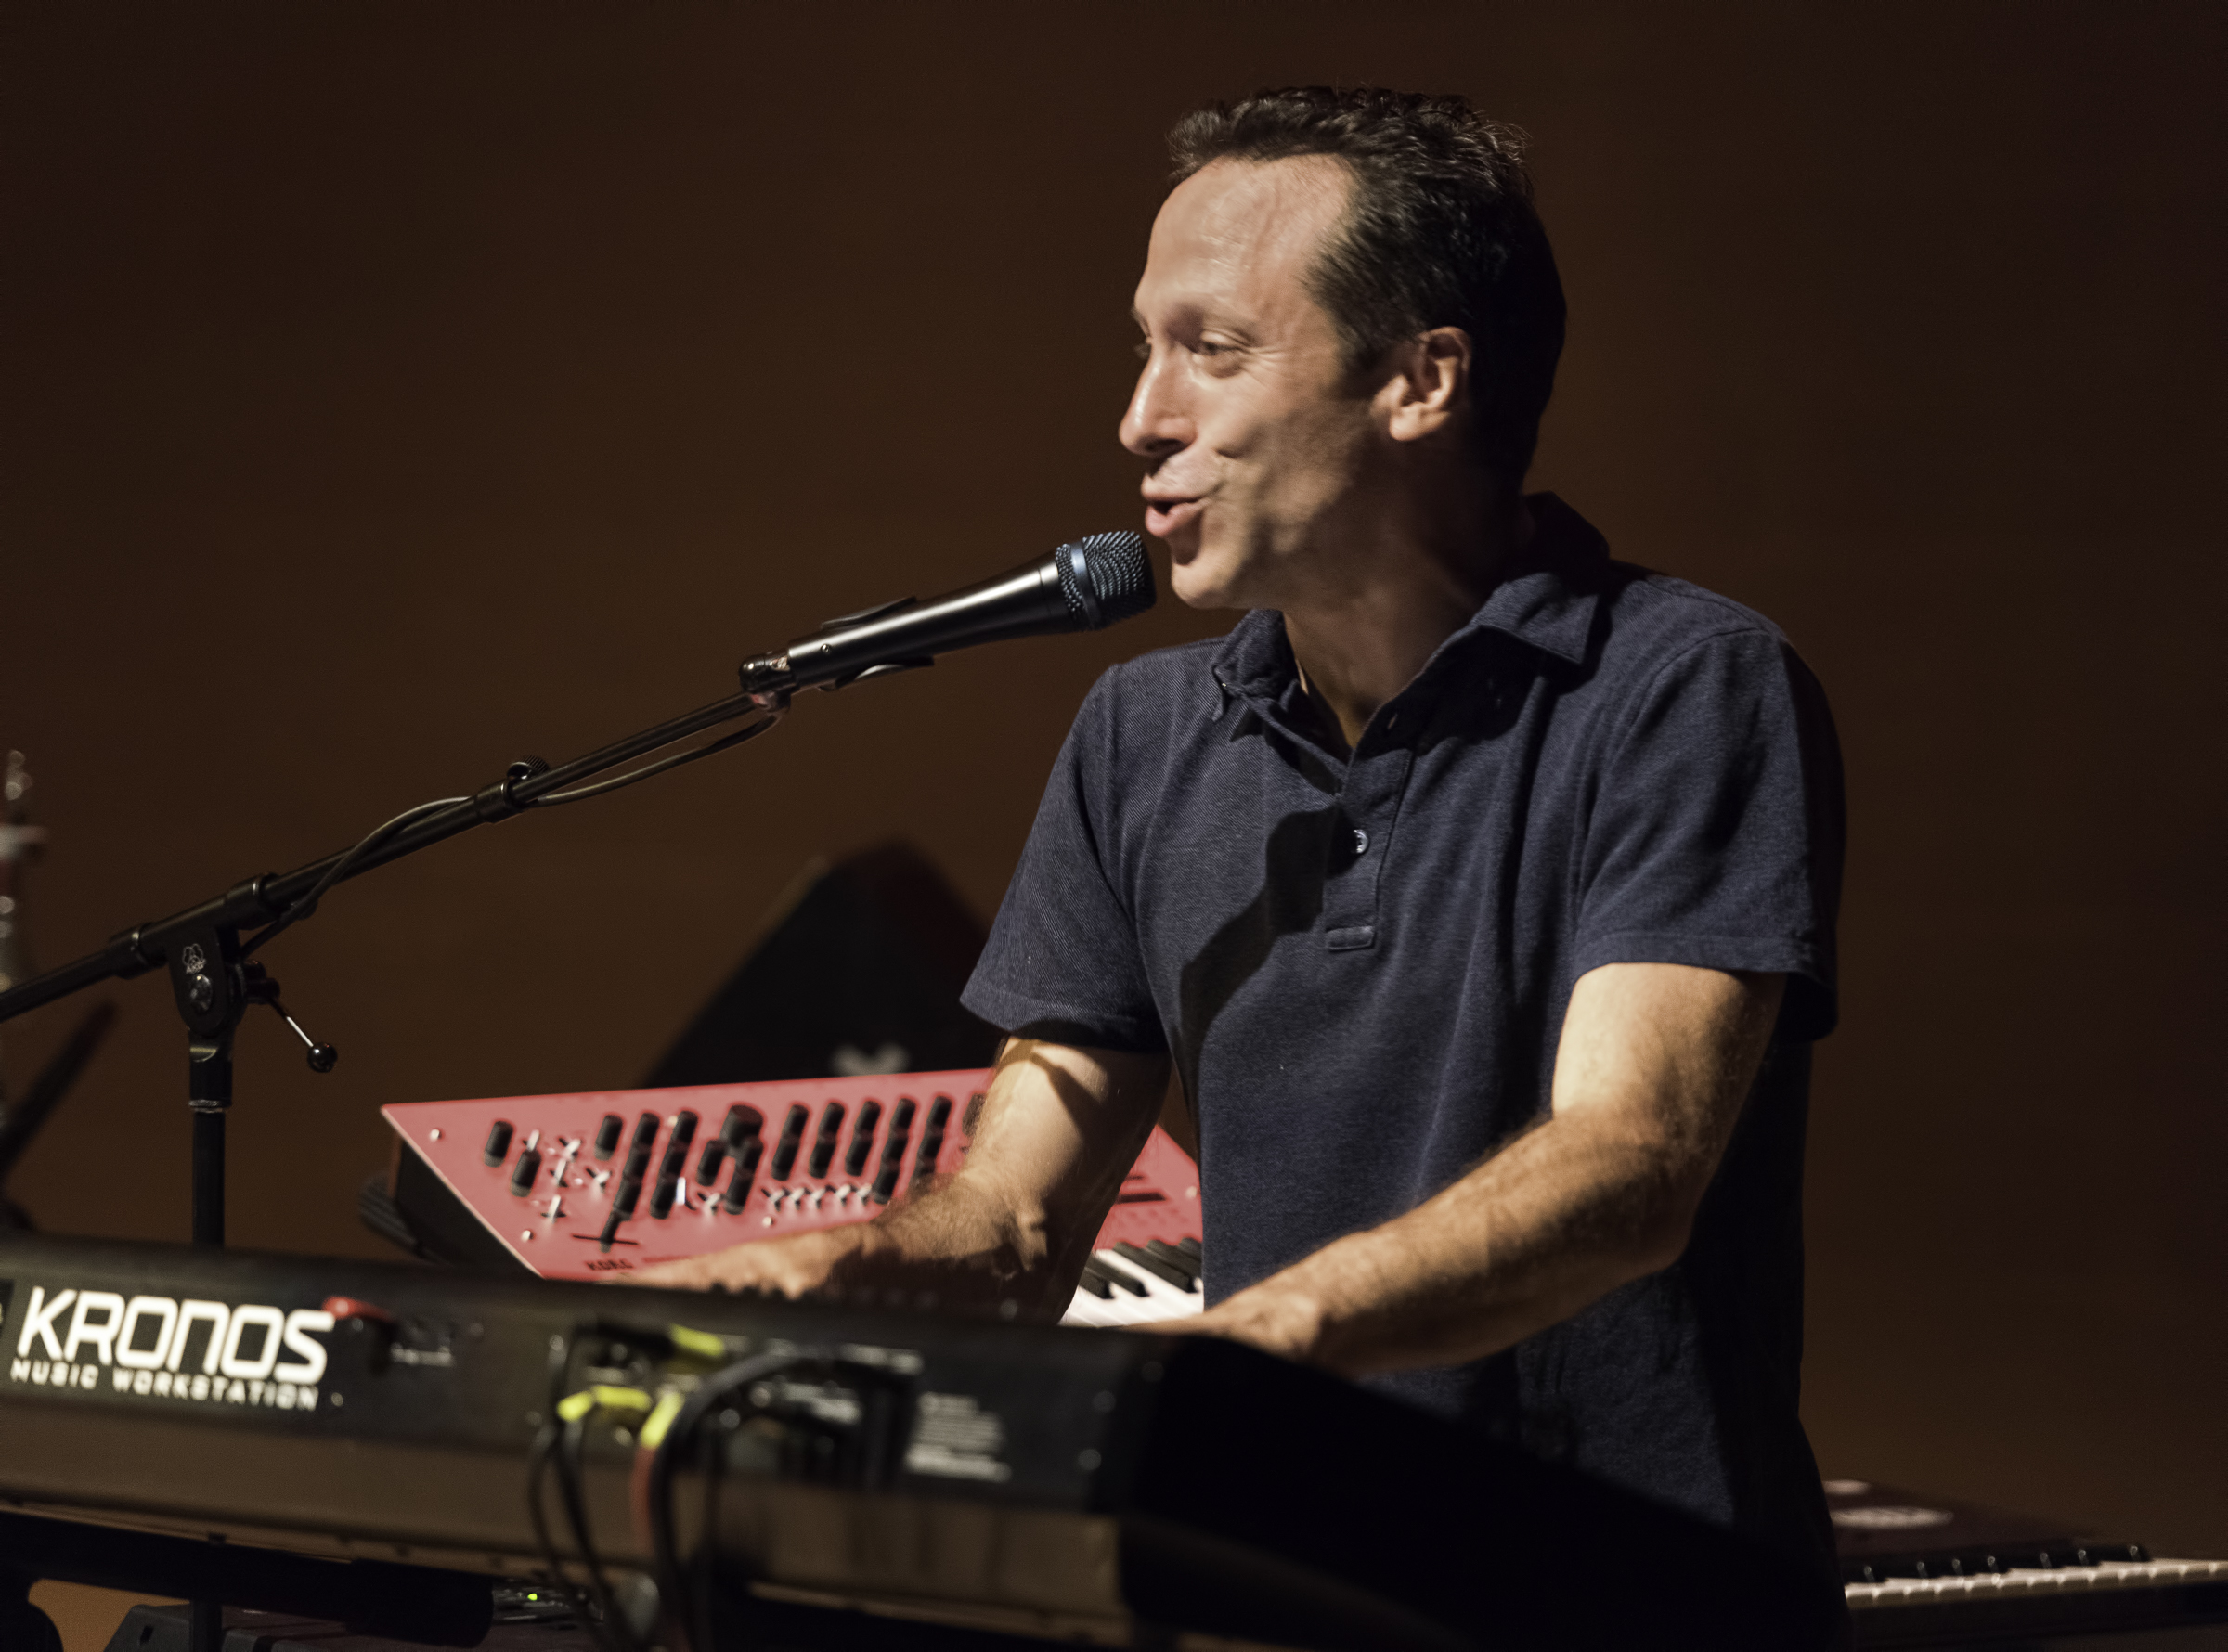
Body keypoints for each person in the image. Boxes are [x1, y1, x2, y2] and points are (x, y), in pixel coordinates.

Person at [641, 86, 1846, 1589]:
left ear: (1422, 380)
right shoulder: (1139, 737)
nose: (1140, 417)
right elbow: (1017, 1221)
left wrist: (1270, 1330)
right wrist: (832, 1269)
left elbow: (1633, 1164)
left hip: (1611, 1598)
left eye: (1209, 350)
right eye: (1145, 349)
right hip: (1278, 1580)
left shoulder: (1679, 683)